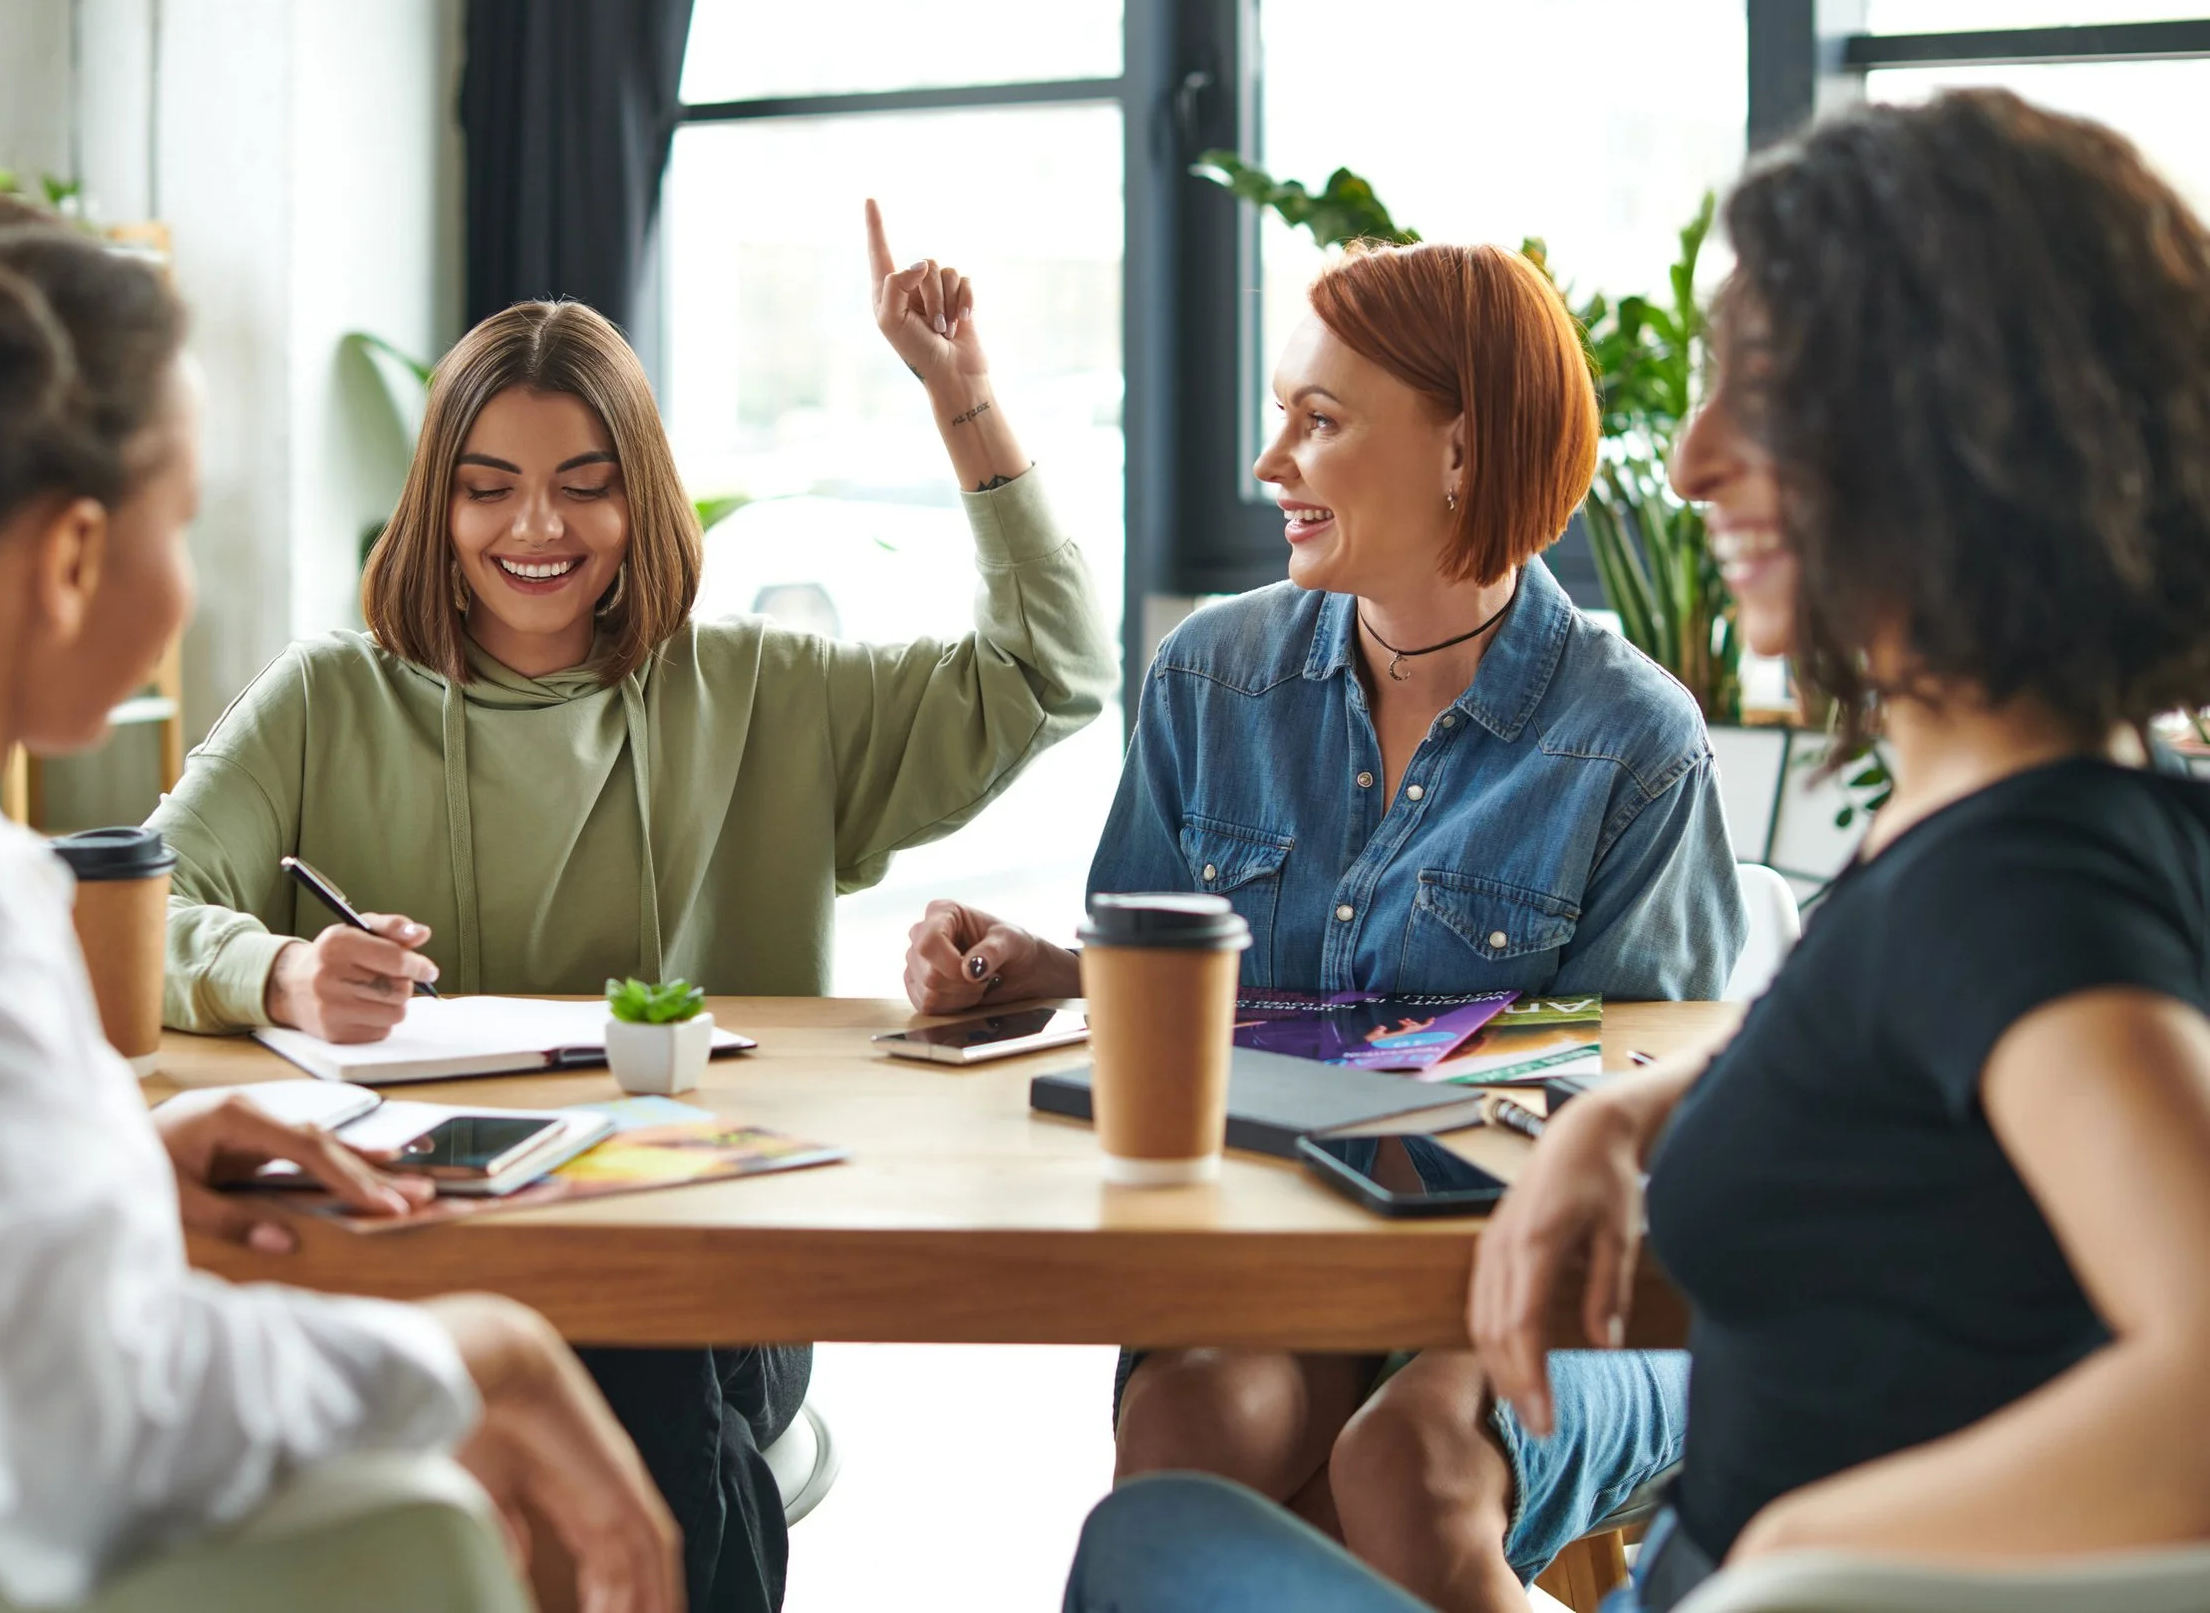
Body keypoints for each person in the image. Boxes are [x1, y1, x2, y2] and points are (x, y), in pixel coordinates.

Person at [1062, 87, 2210, 1613]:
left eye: (1773, 397)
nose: (1692, 463)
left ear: (1965, 433)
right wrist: (1627, 1124)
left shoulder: (2019, 891)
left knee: (1147, 1553)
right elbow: (1873, 1046)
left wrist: (1806, 1564)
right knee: (1170, 1504)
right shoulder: (2029, 821)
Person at [0, 165, 680, 1612]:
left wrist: (99, 1162)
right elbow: (93, 1423)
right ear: (77, 554)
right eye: (184, 517)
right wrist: (485, 1346)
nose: (184, 577)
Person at [147, 201, 1111, 1611]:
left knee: (629, 1340)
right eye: (488, 485)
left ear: (641, 492)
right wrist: (281, 969)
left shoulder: (766, 689)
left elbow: (1050, 666)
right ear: (437, 502)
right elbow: (135, 899)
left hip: (711, 1261)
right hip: (430, 1238)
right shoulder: (327, 700)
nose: (536, 526)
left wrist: (959, 396)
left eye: (583, 482)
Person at [908, 242, 1741, 1607]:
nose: (1267, 462)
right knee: (1188, 1433)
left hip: (1539, 1287)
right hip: (1274, 1258)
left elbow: (1641, 1119)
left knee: (1407, 1464)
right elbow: (1170, 1012)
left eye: (1319, 420)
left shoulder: (1631, 741)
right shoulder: (1211, 678)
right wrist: (1045, 975)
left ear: (1462, 452)